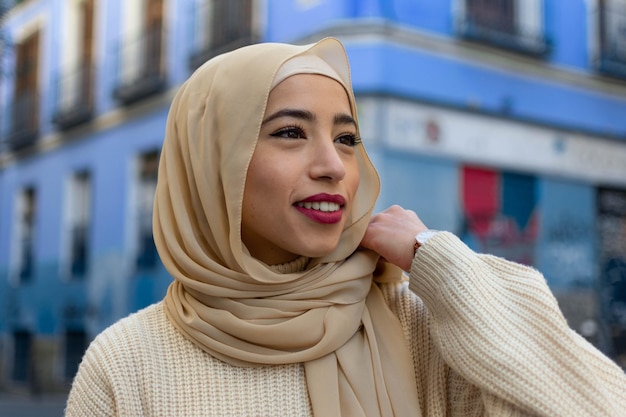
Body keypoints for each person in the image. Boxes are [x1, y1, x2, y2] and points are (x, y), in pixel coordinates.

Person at [65, 37, 626, 417]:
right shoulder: (127, 364)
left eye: (347, 138)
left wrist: (439, 261)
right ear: (210, 163)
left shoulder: (416, 326)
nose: (333, 165)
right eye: (289, 132)